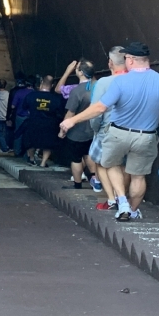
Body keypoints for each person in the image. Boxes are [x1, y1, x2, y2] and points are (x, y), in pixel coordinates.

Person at [60, 41, 159, 222]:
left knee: (109, 164)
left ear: (130, 60)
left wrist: (72, 120)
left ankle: (121, 201)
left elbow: (100, 108)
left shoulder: (120, 80)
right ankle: (132, 209)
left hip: (118, 133)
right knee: (138, 176)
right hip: (146, 136)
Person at [89, 47, 127, 209]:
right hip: (130, 130)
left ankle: (112, 198)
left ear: (110, 63)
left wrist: (95, 128)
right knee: (125, 166)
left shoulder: (103, 82)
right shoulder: (133, 80)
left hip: (107, 129)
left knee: (101, 162)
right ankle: (123, 198)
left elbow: (96, 111)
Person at [61, 60, 96, 188]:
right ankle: (95, 180)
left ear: (81, 72)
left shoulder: (77, 91)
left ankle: (77, 184)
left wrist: (62, 130)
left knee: (76, 158)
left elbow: (70, 113)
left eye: (77, 69)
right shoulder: (99, 86)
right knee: (90, 154)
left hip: (77, 131)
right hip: (95, 129)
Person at [18, 74, 64, 166]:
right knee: (48, 143)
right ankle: (43, 162)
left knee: (30, 141)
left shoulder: (31, 95)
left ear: (41, 82)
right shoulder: (56, 98)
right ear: (52, 85)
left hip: (33, 122)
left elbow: (24, 107)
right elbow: (60, 112)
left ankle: (31, 159)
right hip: (50, 124)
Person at [8, 74, 34, 157]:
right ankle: (28, 154)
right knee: (30, 135)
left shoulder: (19, 92)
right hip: (32, 117)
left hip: (20, 116)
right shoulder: (35, 93)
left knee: (18, 134)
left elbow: (13, 106)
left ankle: (17, 151)